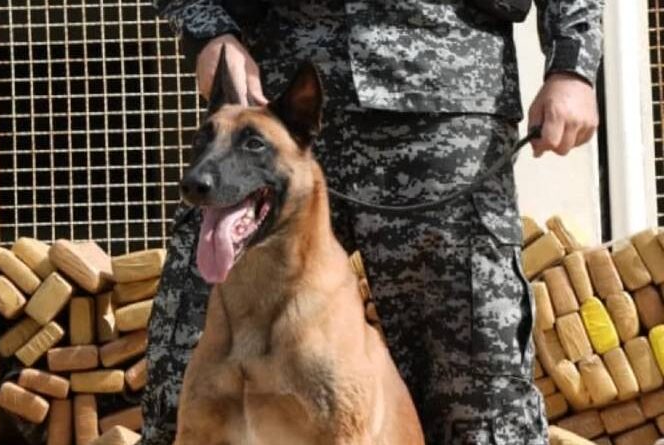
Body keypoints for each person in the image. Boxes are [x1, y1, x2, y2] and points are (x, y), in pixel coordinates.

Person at [142, 0, 603, 443]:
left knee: (476, 402)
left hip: (441, 106)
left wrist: (572, 64)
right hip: (273, 114)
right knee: (178, 386)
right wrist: (209, 31)